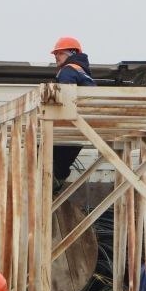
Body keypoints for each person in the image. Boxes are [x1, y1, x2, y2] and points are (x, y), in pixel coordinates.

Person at [50, 36, 96, 182]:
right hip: (83, 127)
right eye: (55, 53)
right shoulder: (83, 72)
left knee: (43, 153)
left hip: (73, 125)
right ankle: (56, 181)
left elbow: (67, 99)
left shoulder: (68, 71)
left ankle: (52, 184)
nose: (56, 56)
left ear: (72, 53)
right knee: (60, 166)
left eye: (60, 53)